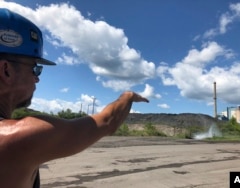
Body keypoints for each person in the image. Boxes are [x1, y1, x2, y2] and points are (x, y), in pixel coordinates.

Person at [0, 8, 149, 188]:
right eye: (34, 68)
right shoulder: (19, 137)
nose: (37, 77)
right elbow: (107, 121)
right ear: (6, 70)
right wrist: (128, 96)